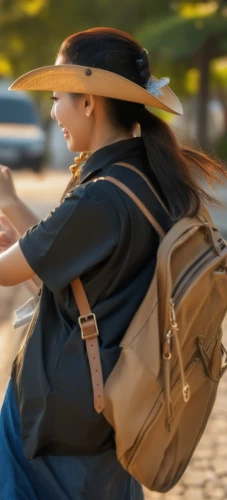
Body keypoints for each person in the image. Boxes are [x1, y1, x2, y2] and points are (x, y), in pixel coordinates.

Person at [0, 27, 226, 500]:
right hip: (113, 414)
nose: (53, 111)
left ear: (89, 101)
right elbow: (64, 264)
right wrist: (14, 207)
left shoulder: (100, 196)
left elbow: (10, 271)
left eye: (59, 97)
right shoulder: (147, 179)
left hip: (59, 428)